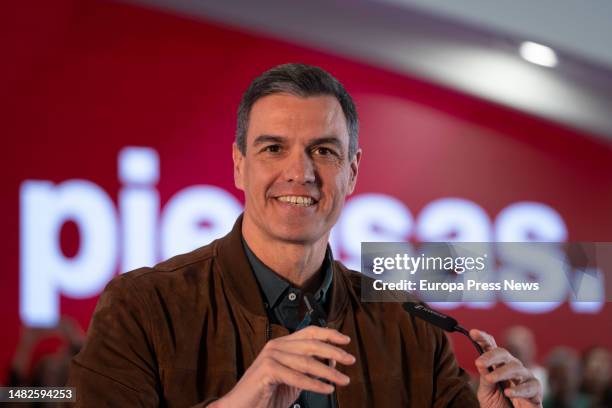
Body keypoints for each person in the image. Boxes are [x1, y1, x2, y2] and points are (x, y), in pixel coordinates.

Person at [68, 63, 542, 407]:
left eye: (323, 150)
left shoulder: (413, 329)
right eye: (273, 148)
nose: (300, 172)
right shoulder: (142, 309)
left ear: (352, 171)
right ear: (239, 165)